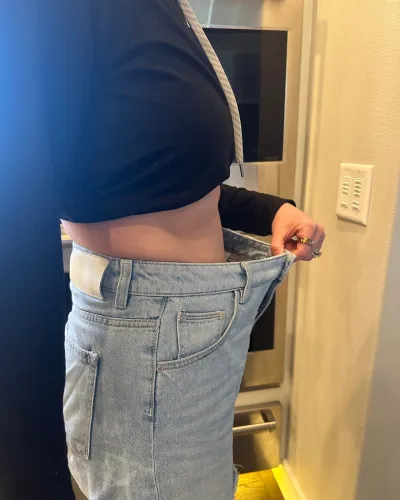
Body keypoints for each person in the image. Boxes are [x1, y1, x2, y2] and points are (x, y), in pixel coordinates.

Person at [2, 1, 325, 499]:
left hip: (185, 339)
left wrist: (269, 211)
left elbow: (154, 174)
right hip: (147, 336)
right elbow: (13, 221)